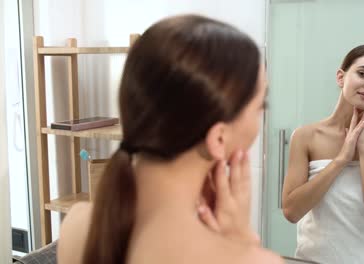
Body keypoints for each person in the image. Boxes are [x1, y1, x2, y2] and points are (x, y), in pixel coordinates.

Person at [57, 14, 283, 264]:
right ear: (218, 138)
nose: (262, 118)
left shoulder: (75, 226)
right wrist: (242, 244)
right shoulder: (250, 260)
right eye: (262, 105)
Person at [281, 44, 364, 263]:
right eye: (363, 73)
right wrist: (341, 159)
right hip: (314, 259)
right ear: (341, 77)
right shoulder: (306, 136)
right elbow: (292, 212)